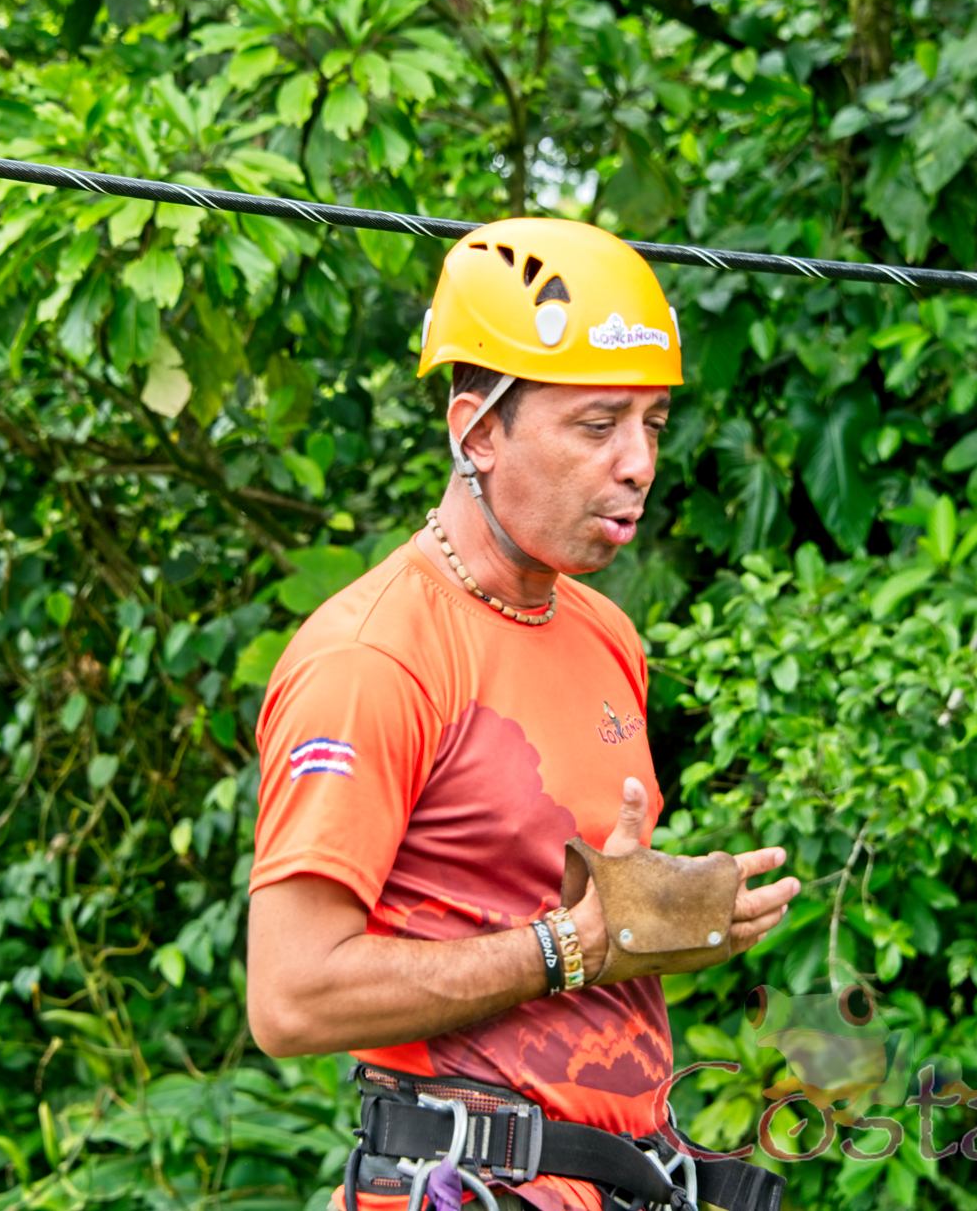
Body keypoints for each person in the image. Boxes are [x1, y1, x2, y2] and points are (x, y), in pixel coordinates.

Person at [246, 217, 801, 1211]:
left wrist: (663, 915)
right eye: (596, 426)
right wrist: (573, 946)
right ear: (478, 432)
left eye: (651, 424)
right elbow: (289, 997)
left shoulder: (604, 634)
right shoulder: (372, 658)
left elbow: (545, 896)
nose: (637, 463)